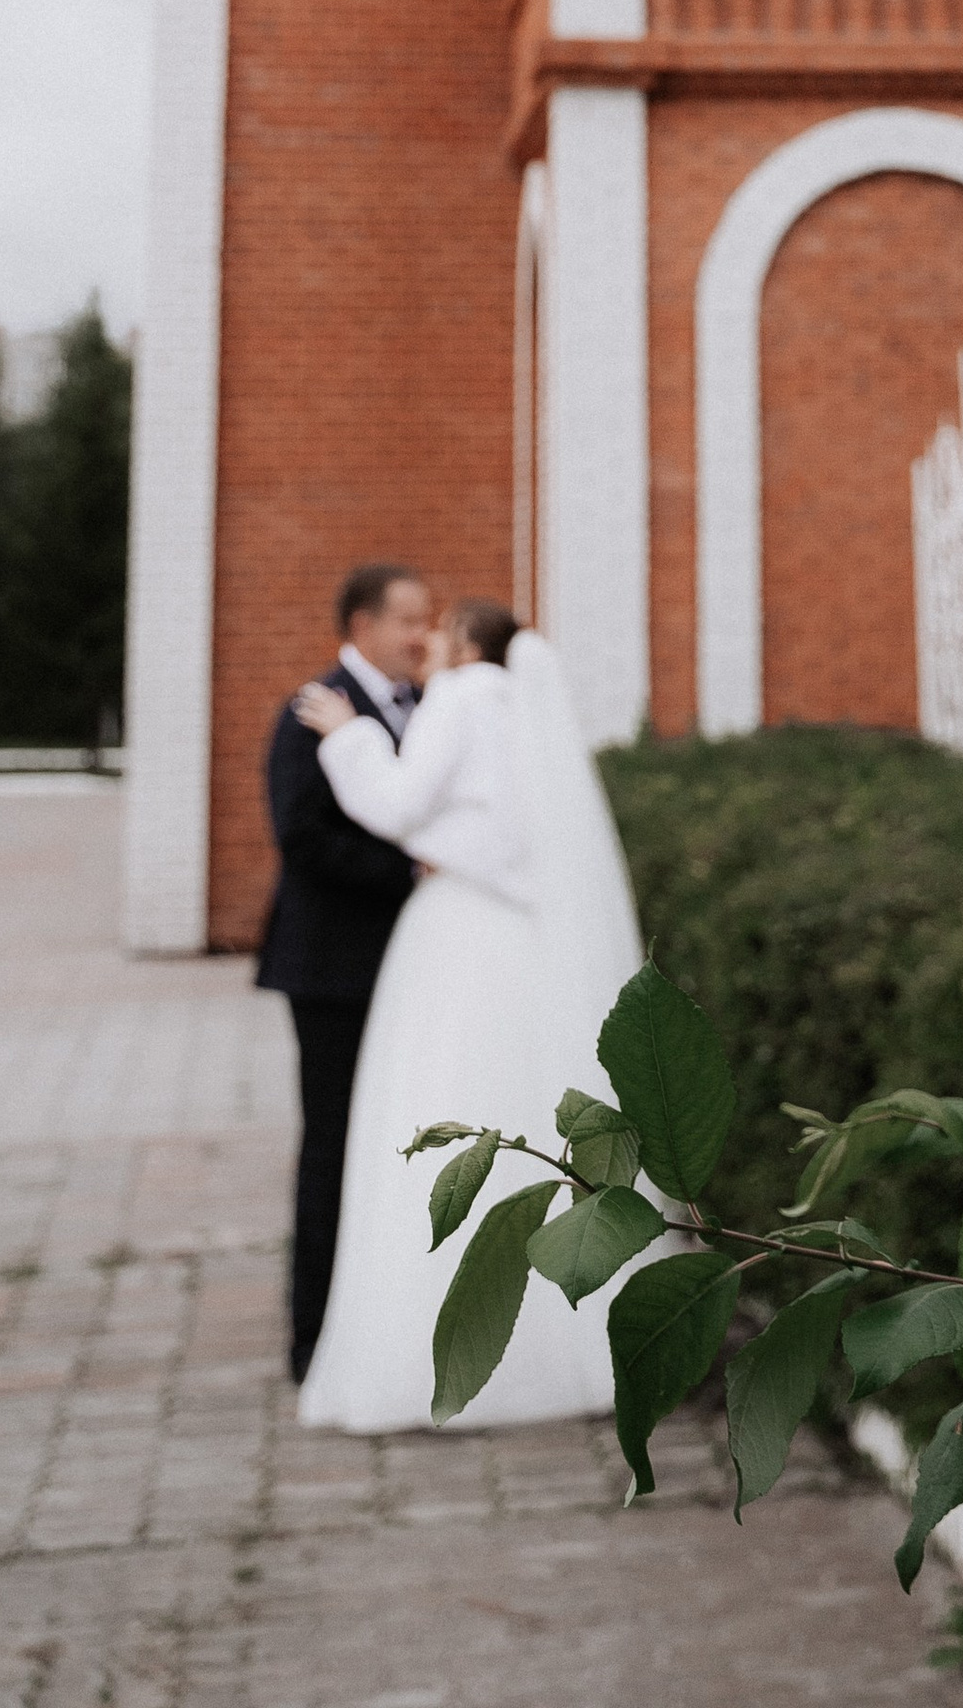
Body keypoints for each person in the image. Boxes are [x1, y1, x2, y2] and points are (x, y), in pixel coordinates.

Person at [289, 596, 645, 1434]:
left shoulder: (462, 696)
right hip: (517, 938)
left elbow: (402, 803)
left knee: (435, 1102)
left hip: (458, 930)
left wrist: (349, 734)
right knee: (515, 1100)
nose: (428, 643)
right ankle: (558, 1341)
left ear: (464, 644)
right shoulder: (525, 711)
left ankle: (428, 1350)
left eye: (439, 629)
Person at [256, 562, 435, 1382]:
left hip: (411, 971)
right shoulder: (311, 711)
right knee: (332, 1144)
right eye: (409, 620)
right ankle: (313, 1333)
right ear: (363, 624)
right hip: (332, 970)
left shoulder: (429, 709)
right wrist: (410, 873)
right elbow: (302, 834)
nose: (421, 636)